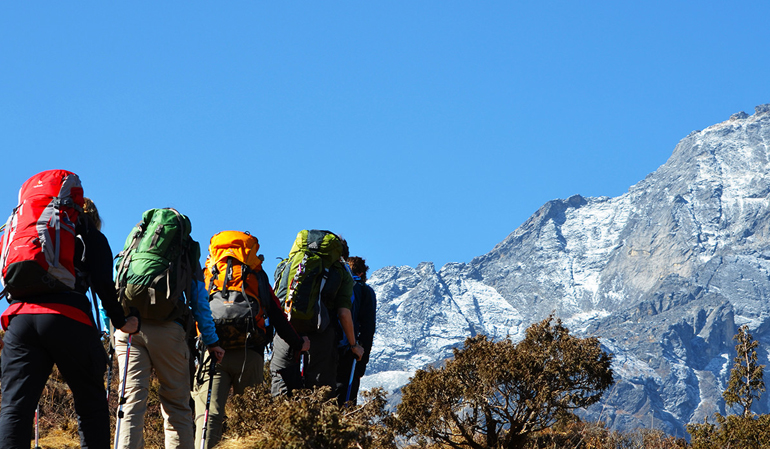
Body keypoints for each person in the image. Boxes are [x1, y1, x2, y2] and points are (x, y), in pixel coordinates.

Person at [0, 197, 140, 449]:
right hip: (68, 317)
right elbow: (104, 288)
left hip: (20, 319)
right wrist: (122, 322)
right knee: (91, 405)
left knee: (15, 407)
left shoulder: (30, 230)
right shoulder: (89, 234)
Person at [113, 213, 225, 449]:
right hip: (168, 330)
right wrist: (211, 340)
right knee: (176, 405)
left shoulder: (135, 242)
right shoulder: (185, 249)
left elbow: (115, 283)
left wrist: (114, 328)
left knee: (131, 401)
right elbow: (199, 301)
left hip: (129, 329)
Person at [192, 269, 310, 449]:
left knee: (209, 416)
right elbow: (277, 314)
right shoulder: (256, 274)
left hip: (214, 353)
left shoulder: (210, 271)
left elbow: (196, 308)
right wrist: (298, 343)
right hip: (250, 353)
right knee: (249, 416)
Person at [270, 232, 364, 397]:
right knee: (319, 391)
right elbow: (343, 313)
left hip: (285, 329)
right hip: (321, 333)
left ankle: (279, 418)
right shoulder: (340, 272)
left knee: (281, 387)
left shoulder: (289, 264)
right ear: (340, 254)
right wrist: (354, 344)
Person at [335, 256, 377, 406]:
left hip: (326, 347)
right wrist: (361, 364)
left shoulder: (335, 283)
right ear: (361, 273)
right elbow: (368, 329)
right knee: (345, 401)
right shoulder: (364, 291)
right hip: (349, 352)